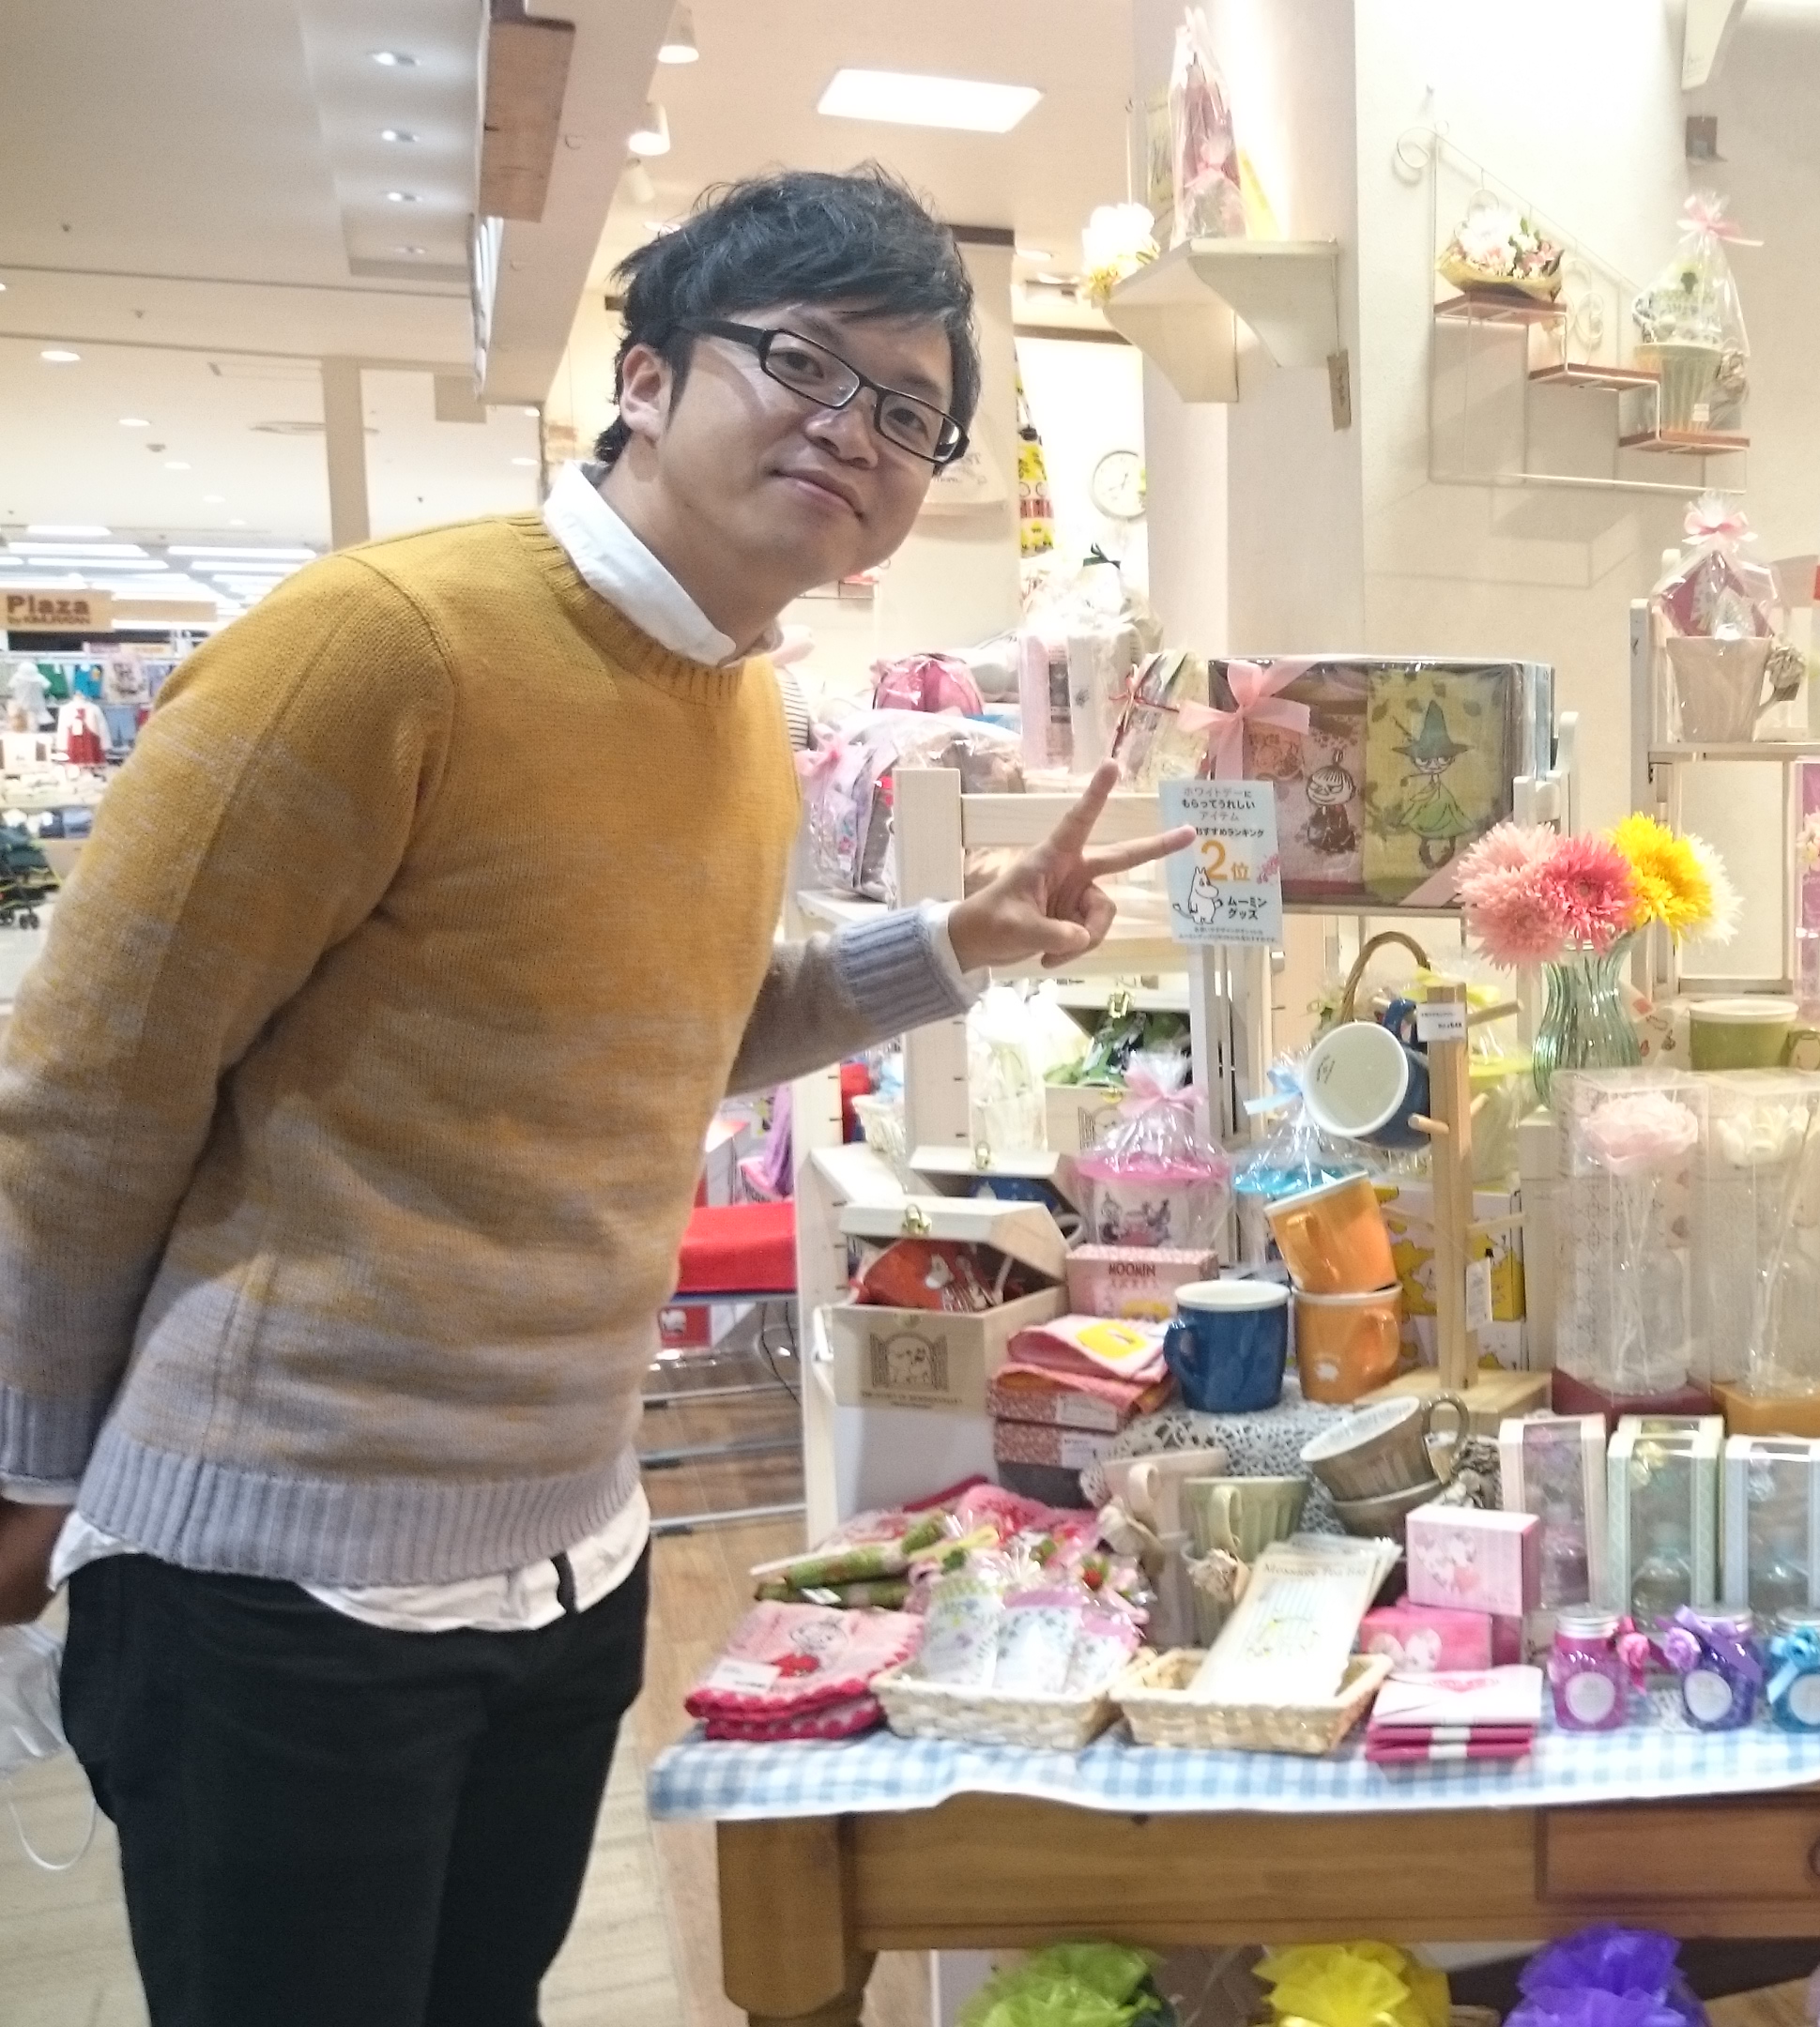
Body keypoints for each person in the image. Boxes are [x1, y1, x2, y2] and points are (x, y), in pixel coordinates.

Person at [0, 167, 1191, 2024]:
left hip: (569, 1557)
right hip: (284, 1581)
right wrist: (25, 1461)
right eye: (803, 362)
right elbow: (87, 1087)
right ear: (644, 376)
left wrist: (959, 943)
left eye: (908, 413)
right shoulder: (382, 646)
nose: (854, 431)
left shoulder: (740, 711)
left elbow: (673, 1030)